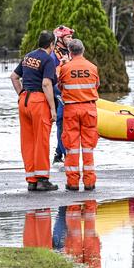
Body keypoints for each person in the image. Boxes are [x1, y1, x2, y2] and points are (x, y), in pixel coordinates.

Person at [10, 31, 58, 192]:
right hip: (38, 101)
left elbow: (14, 77)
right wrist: (52, 108)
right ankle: (43, 180)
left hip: (24, 100)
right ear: (51, 44)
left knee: (28, 141)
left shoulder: (28, 57)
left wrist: (21, 94)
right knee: (41, 141)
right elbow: (46, 84)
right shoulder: (48, 60)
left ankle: (31, 180)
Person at [58, 39, 100, 191]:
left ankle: (73, 183)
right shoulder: (93, 67)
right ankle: (89, 182)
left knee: (71, 147)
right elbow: (96, 86)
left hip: (71, 109)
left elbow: (60, 86)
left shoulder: (65, 68)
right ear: (83, 50)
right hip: (89, 109)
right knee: (88, 147)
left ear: (70, 52)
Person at [52, 25, 75, 164]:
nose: (70, 39)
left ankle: (57, 153)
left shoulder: (70, 52)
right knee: (61, 122)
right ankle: (66, 155)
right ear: (60, 39)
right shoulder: (54, 55)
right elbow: (53, 76)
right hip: (59, 93)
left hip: (68, 92)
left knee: (65, 124)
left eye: (71, 37)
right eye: (68, 37)